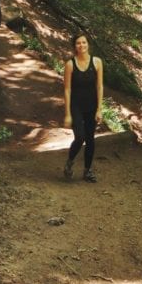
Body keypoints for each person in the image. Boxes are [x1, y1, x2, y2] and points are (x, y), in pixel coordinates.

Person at [62, 33, 103, 182]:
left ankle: (87, 171)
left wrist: (99, 108)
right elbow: (67, 90)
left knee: (91, 139)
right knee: (80, 137)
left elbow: (99, 86)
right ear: (75, 47)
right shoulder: (70, 64)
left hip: (92, 105)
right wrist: (67, 114)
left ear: (88, 44)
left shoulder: (97, 62)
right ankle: (69, 163)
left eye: (84, 42)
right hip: (76, 106)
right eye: (78, 43)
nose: (82, 45)